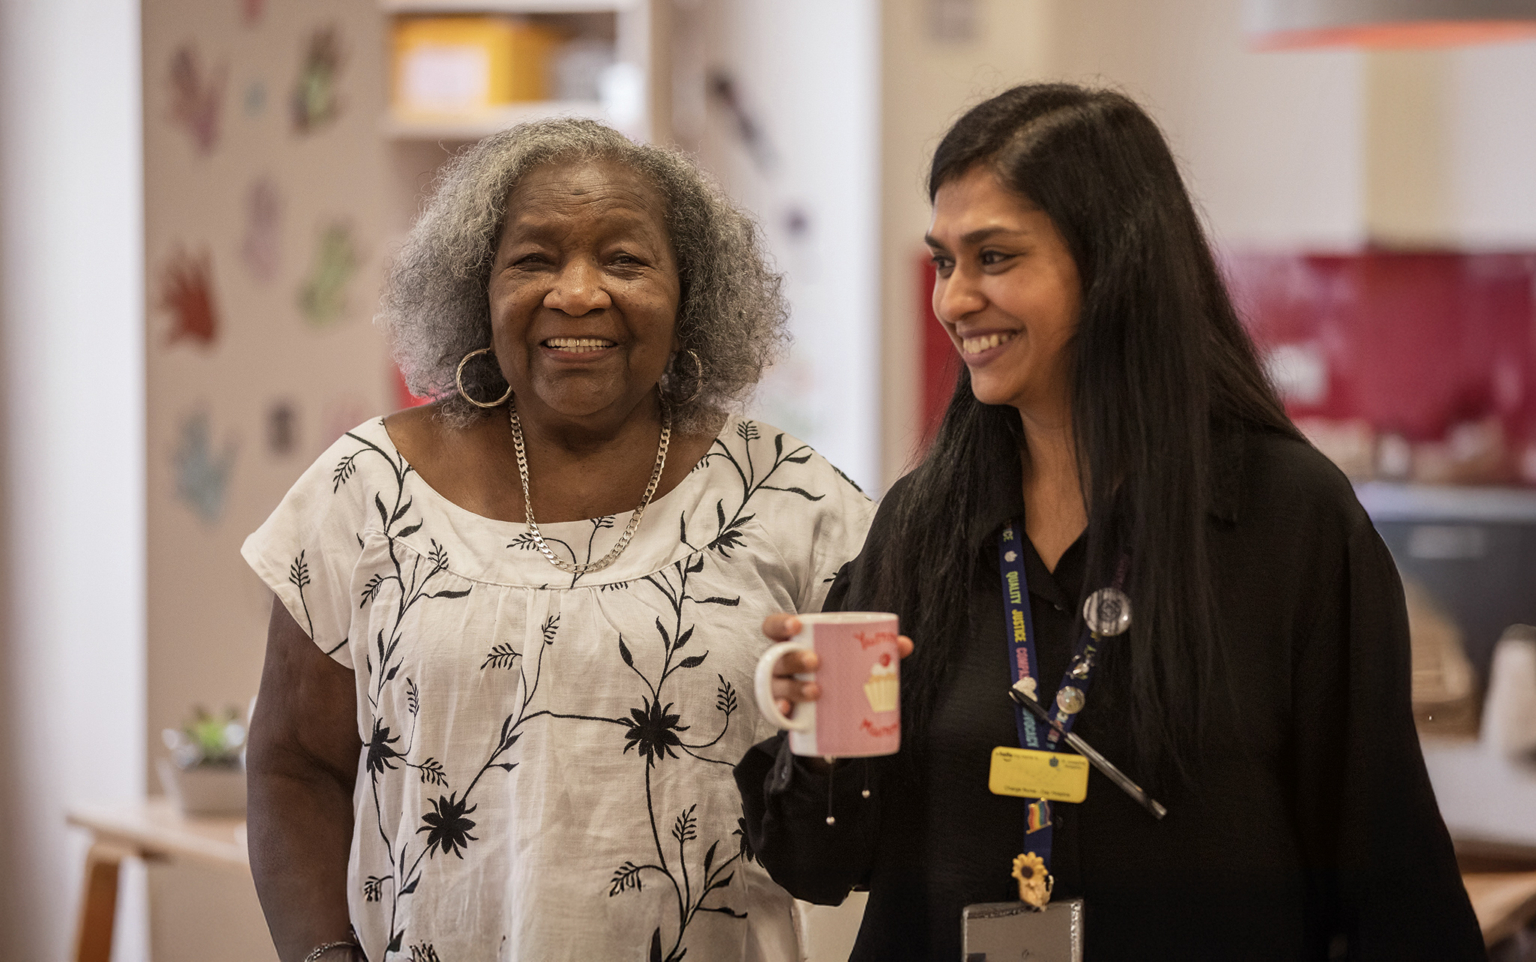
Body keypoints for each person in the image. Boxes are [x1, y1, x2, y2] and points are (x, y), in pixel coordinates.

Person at [736, 84, 1486, 961]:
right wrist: (816, 738)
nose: (953, 299)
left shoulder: (1289, 519)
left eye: (995, 258)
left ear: (1115, 263)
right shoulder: (924, 522)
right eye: (945, 261)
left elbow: (1388, 870)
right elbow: (819, 864)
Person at [242, 118, 873, 962]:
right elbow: (292, 766)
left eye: (624, 259)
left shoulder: (799, 506)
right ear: (479, 289)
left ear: (691, 293)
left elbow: (866, 784)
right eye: (534, 259)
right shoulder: (364, 491)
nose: (577, 293)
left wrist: (827, 755)